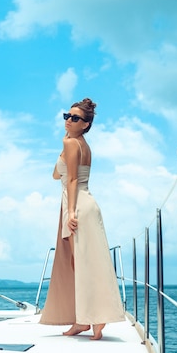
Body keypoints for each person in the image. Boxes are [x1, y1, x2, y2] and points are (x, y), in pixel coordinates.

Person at [39, 98, 125, 339]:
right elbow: (57, 175)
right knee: (84, 263)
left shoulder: (72, 144)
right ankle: (86, 320)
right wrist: (64, 145)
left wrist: (72, 212)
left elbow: (72, 180)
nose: (69, 120)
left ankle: (91, 319)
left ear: (86, 124)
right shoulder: (79, 144)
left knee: (83, 264)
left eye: (75, 118)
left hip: (77, 205)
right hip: (84, 203)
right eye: (67, 115)